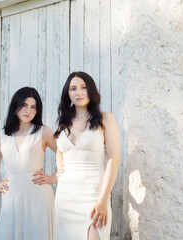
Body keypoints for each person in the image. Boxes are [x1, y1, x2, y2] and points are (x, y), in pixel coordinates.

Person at [54, 72, 120, 240]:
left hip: (94, 197)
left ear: (91, 90)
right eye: (73, 89)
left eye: (84, 87)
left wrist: (104, 200)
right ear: (67, 94)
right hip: (65, 199)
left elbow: (113, 159)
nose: (79, 93)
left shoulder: (106, 119)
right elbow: (60, 150)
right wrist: (59, 170)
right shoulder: (63, 123)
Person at [0, 87, 57, 240]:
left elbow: (66, 155)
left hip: (38, 196)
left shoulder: (43, 132)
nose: (28, 110)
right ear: (15, 106)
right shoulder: (1, 135)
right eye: (24, 105)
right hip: (11, 195)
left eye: (33, 107)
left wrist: (52, 178)